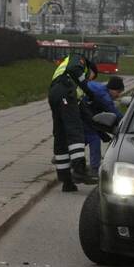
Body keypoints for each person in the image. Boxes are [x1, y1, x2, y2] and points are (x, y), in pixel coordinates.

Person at [49, 54, 97, 192]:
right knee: (75, 132)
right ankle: (80, 171)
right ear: (90, 68)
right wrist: (89, 90)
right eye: (91, 76)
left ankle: (66, 181)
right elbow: (75, 69)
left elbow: (82, 109)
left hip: (54, 94)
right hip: (65, 92)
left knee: (61, 136)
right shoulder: (79, 59)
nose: (88, 79)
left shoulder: (67, 74)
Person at [83, 76, 124, 173]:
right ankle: (94, 168)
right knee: (94, 138)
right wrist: (125, 121)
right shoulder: (103, 96)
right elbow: (114, 112)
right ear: (112, 89)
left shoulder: (100, 88)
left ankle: (65, 153)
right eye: (118, 92)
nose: (118, 95)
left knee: (84, 137)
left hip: (81, 110)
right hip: (79, 112)